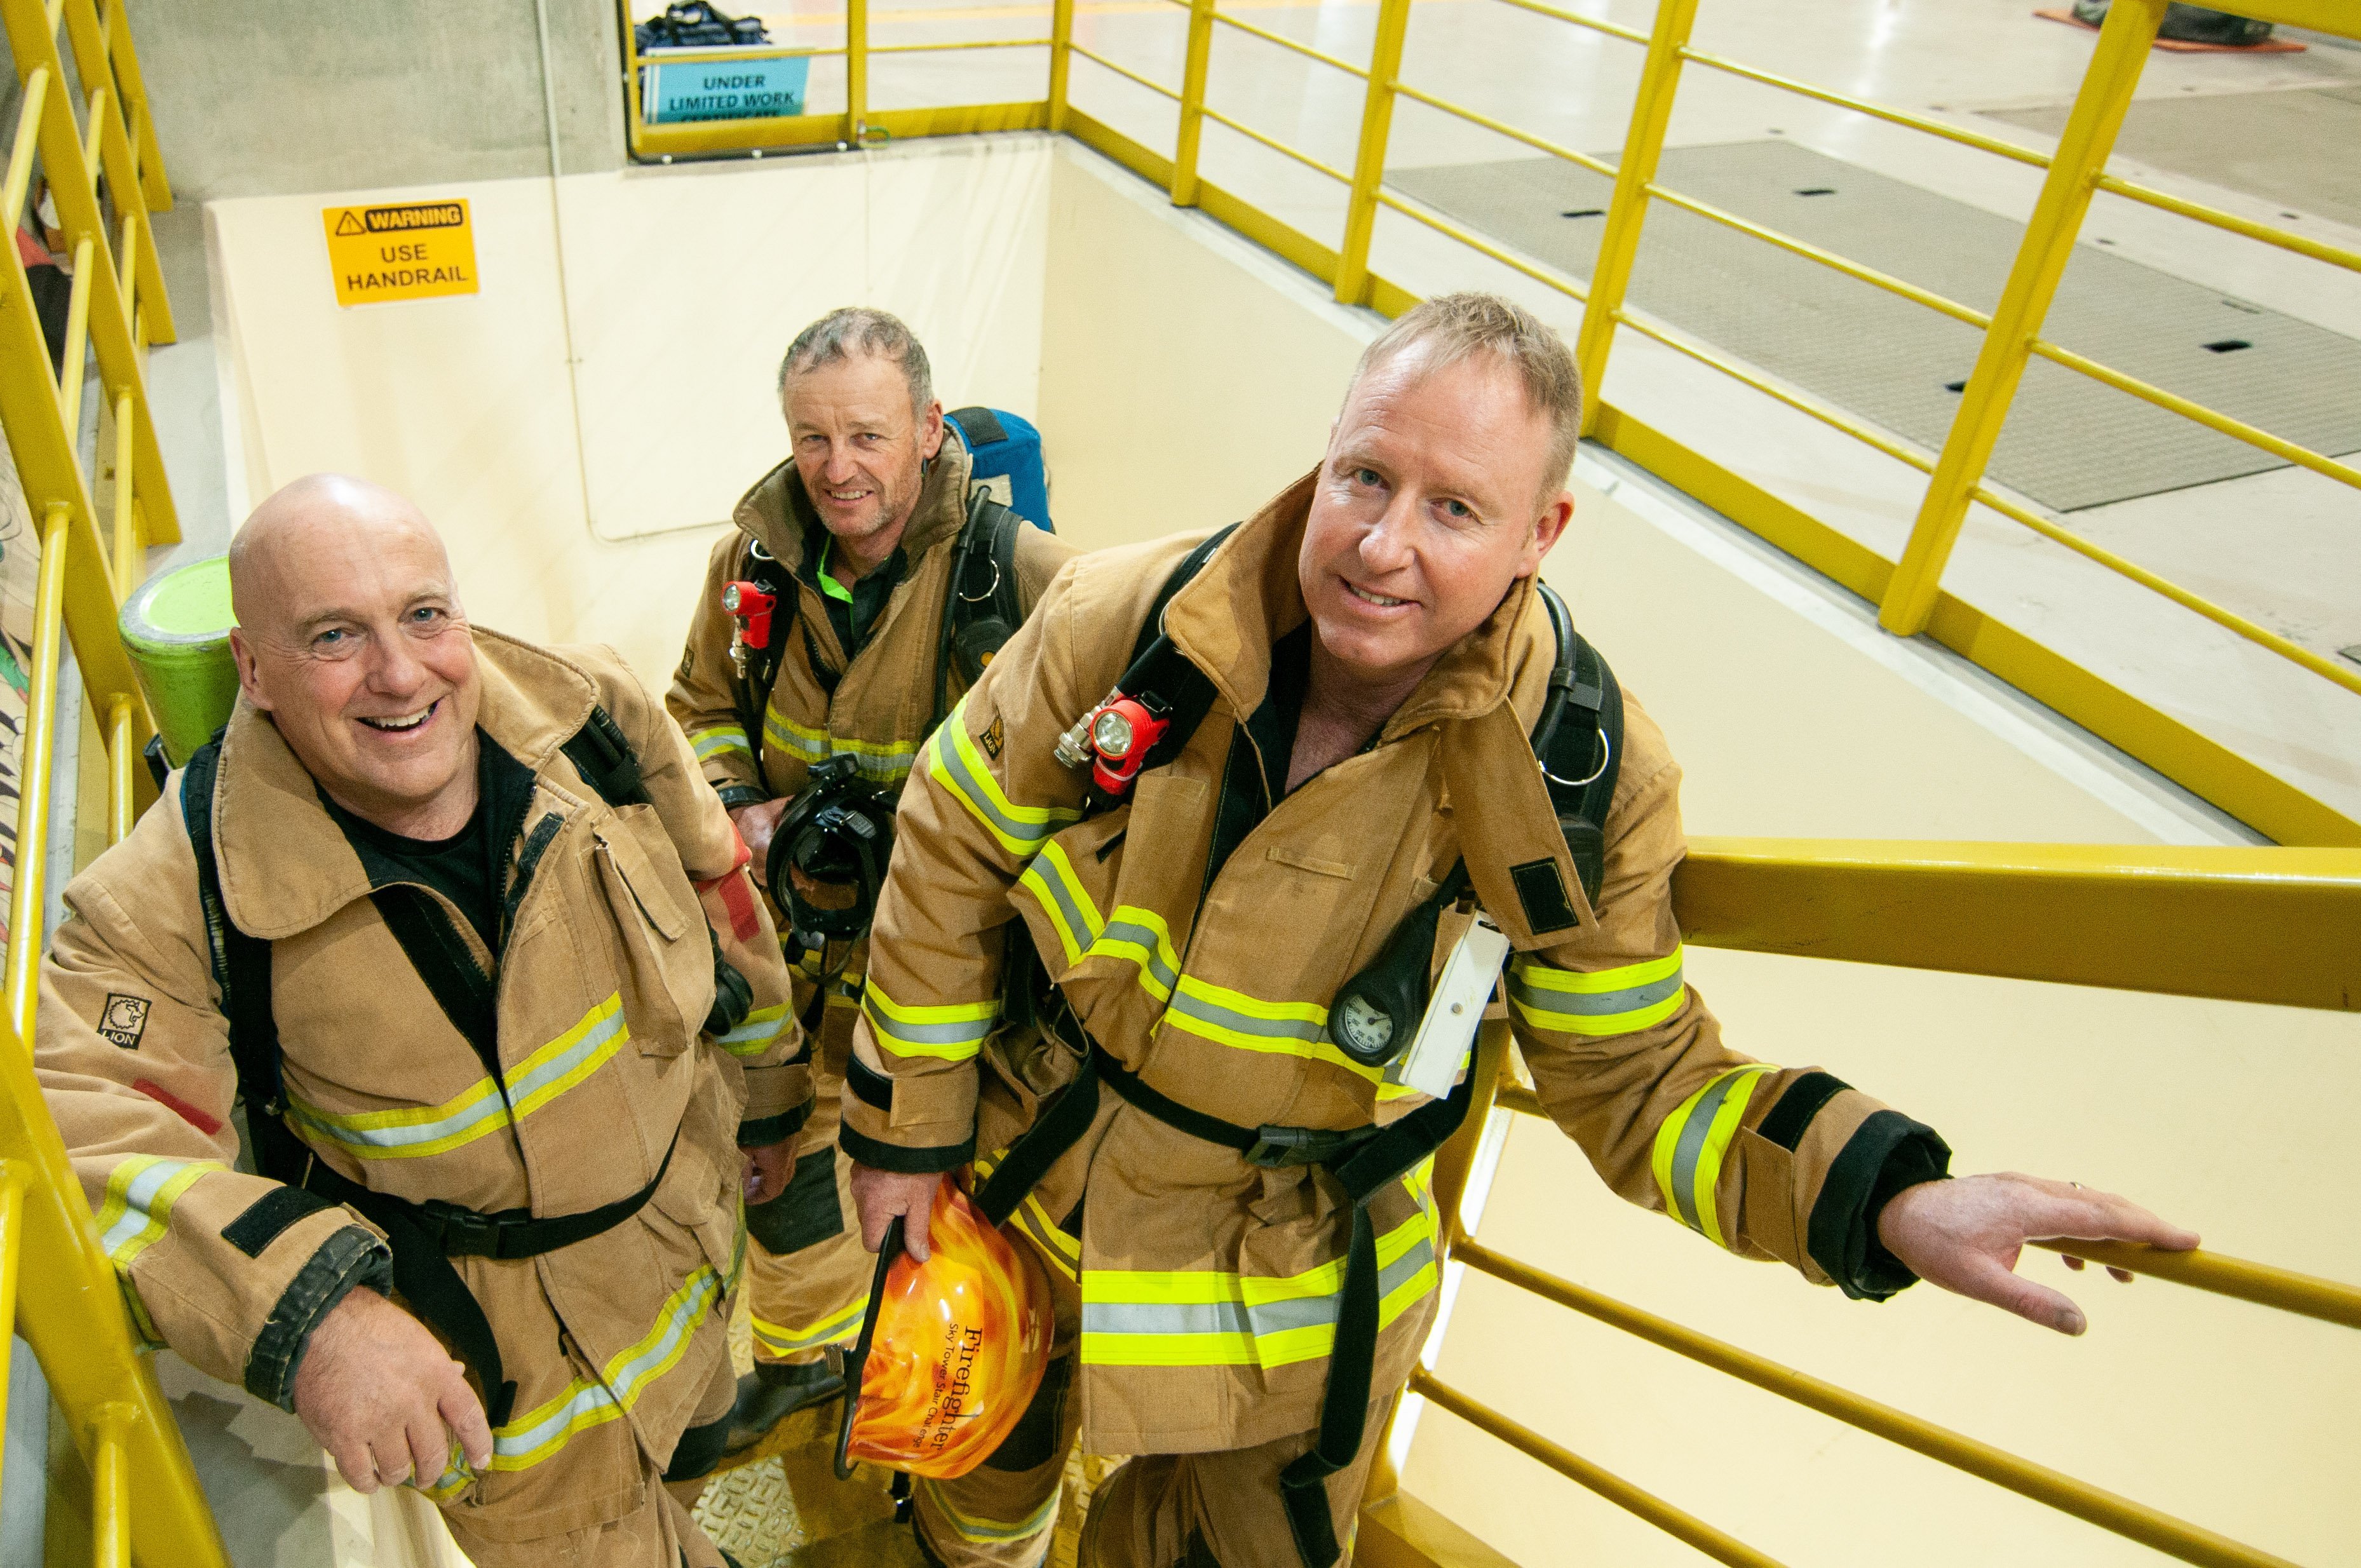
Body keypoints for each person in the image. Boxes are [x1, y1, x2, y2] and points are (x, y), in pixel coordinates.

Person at [836, 294, 2201, 1567]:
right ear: (1324, 457)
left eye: (1454, 508)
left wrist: (1883, 1197)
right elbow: (948, 849)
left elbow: (1640, 1082)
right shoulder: (1126, 623)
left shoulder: (1575, 784)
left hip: (1273, 1304)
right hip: (1016, 1185)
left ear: (1540, 535)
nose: (1381, 544)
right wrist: (907, 1132)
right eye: (1364, 477)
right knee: (978, 1478)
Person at [36, 476, 808, 1568]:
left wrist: (772, 1094)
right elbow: (80, 1147)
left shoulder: (588, 717)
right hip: (511, 1414)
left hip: (680, 1278)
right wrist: (318, 1321)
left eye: (424, 614)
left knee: (672, 1478)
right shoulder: (169, 895)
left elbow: (723, 896)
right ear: (251, 670)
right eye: (333, 636)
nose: (401, 674)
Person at [667, 307, 1072, 1452]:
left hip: (944, 981)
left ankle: (930, 1402)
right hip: (788, 963)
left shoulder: (1027, 581)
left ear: (931, 431)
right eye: (811, 439)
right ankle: (803, 1363)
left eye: (867, 437)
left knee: (934, 1195)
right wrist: (742, 803)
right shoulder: (749, 566)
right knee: (784, 1174)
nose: (837, 470)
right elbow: (697, 706)